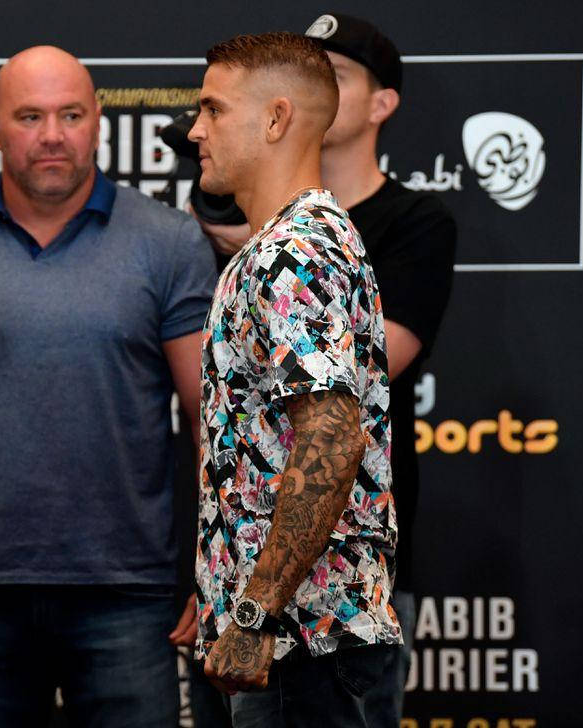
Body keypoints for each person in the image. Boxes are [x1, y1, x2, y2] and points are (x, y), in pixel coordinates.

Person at [0, 45, 217, 727]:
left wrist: (217, 566)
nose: (52, 135)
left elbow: (209, 419)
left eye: (71, 114)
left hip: (127, 592)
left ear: (98, 124)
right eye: (29, 116)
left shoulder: (169, 241)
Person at [188, 32, 402, 727]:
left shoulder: (294, 253)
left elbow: (331, 436)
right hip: (293, 634)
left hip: (304, 640)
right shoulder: (283, 246)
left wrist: (255, 609)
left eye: (213, 110)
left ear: (276, 119)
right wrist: (224, 583)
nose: (196, 130)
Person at [304, 13, 458, 725]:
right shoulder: (258, 223)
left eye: (335, 76)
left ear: (382, 104)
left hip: (360, 556)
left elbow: (368, 366)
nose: (317, 91)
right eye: (307, 75)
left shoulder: (415, 223)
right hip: (240, 546)